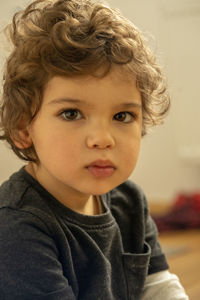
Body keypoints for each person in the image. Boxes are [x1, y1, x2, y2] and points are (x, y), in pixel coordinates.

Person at [0, 0, 188, 299]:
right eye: (72, 114)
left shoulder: (129, 201)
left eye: (122, 116)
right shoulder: (17, 227)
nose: (103, 139)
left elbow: (157, 286)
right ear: (24, 129)